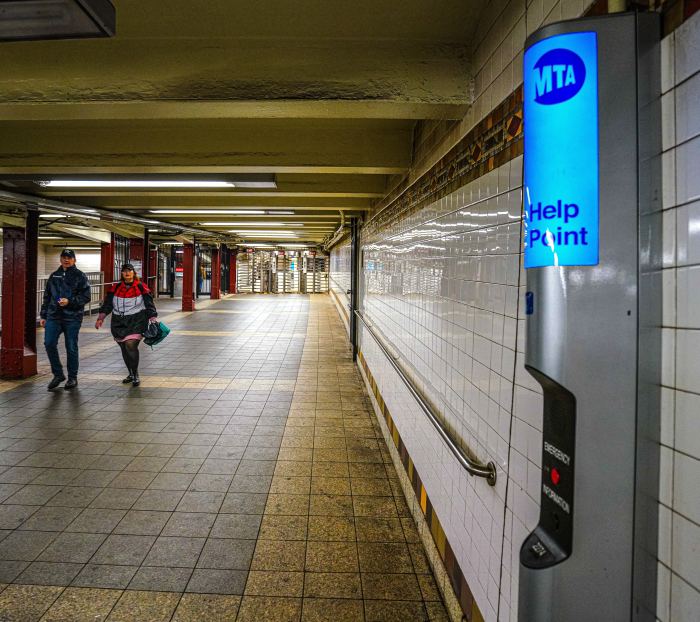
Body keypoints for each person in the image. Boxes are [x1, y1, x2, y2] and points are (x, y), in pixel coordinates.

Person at [95, 263, 158, 387]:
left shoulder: (141, 287)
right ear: (122, 274)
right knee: (124, 348)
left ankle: (135, 375)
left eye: (129, 271)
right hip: (118, 321)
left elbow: (149, 303)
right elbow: (108, 304)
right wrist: (101, 318)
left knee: (130, 345)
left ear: (134, 273)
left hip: (137, 320)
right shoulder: (115, 288)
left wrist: (153, 318)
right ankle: (130, 373)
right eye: (124, 271)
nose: (127, 273)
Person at [40, 249, 92, 391]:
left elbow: (86, 296)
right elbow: (47, 296)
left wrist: (69, 302)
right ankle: (58, 374)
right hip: (54, 315)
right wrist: (43, 315)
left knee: (71, 346)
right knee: (49, 343)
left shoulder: (80, 276)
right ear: (60, 259)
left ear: (74, 260)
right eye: (64, 257)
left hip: (72, 317)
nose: (66, 260)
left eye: (69, 257)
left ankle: (72, 378)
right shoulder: (54, 275)